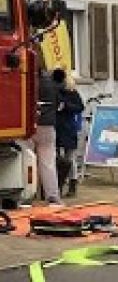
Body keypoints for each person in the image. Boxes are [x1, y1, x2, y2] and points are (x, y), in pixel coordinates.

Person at [52, 69, 83, 198]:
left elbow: (79, 107)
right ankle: (58, 184)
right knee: (56, 157)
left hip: (68, 128)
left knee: (70, 158)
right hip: (57, 127)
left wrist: (66, 106)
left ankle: (72, 185)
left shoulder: (72, 93)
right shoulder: (54, 91)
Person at [32, 68, 61, 205]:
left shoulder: (26, 79)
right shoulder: (52, 82)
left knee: (26, 162)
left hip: (28, 125)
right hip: (48, 125)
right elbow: (60, 103)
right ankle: (53, 197)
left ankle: (26, 196)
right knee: (48, 163)